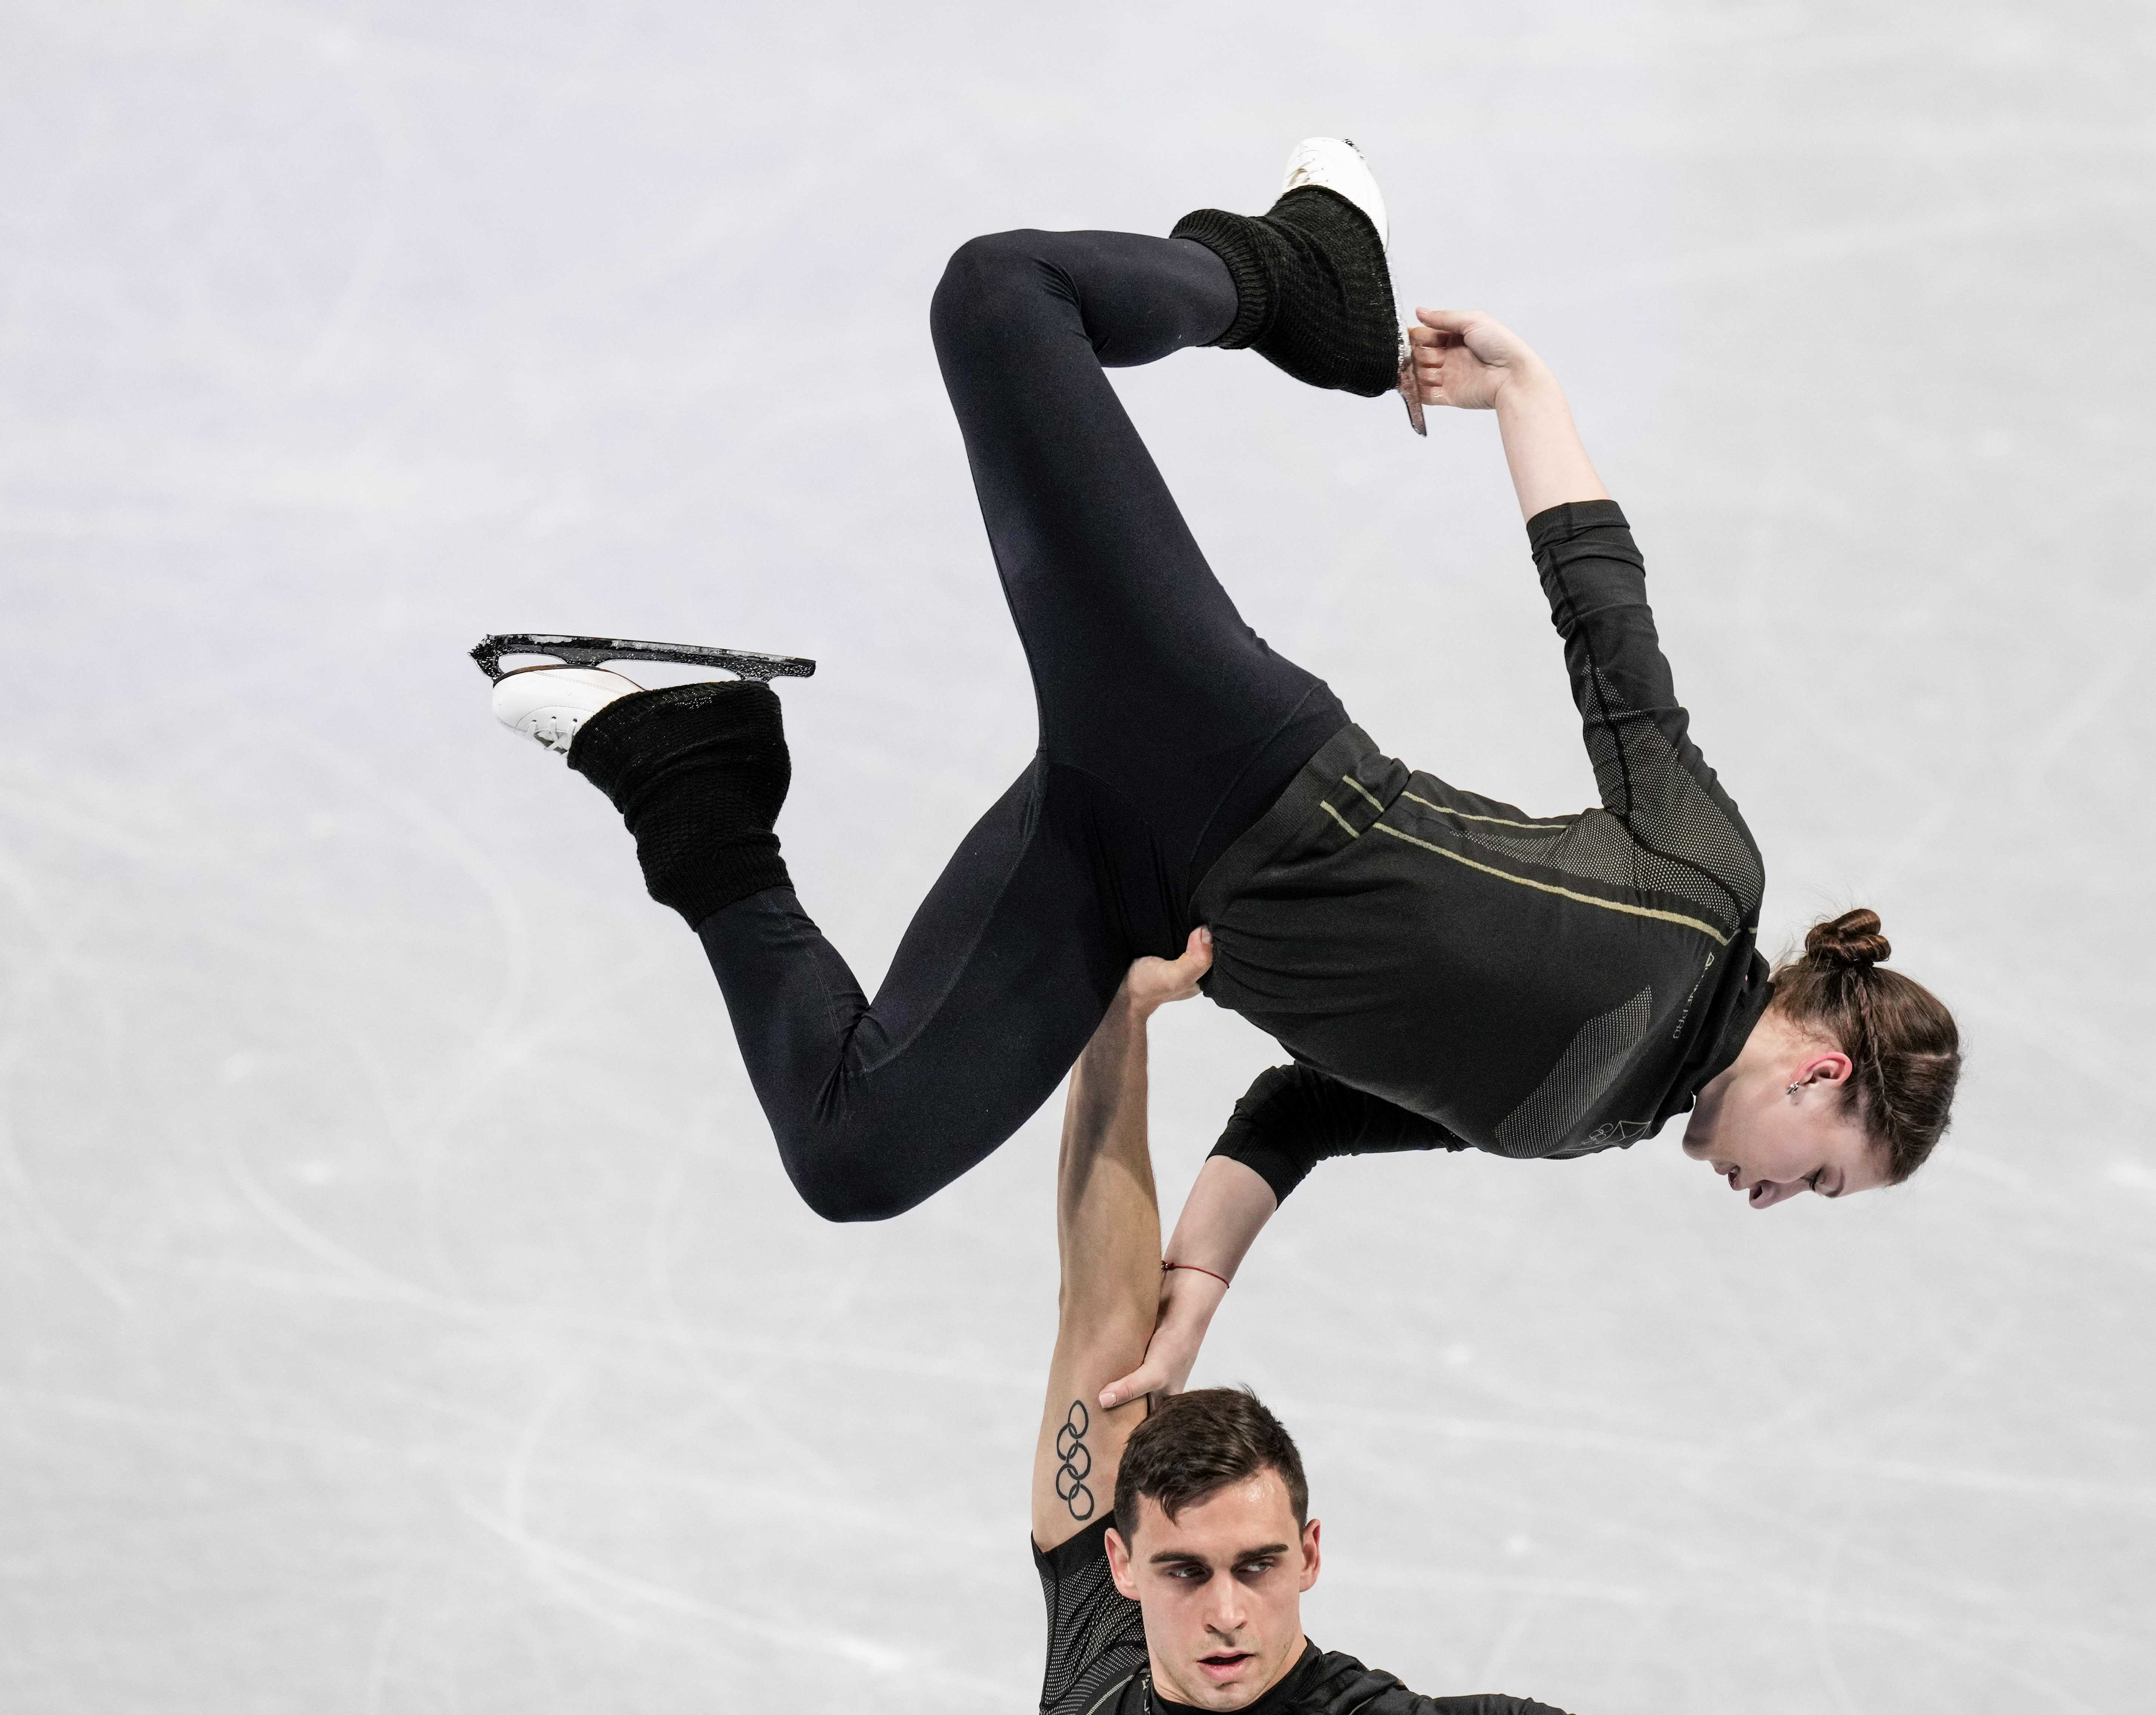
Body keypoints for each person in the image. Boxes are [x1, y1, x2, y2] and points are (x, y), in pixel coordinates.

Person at [475, 138, 1964, 1305]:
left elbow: (1301, 1105)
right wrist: (1527, 391)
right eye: (1818, 1181)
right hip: (1231, 759)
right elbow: (1609, 638)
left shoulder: (1591, 1122)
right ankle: (1288, 273)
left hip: (1142, 890)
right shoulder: (1700, 894)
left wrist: (1192, 1290)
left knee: (853, 1152)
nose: (1775, 1205)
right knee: (1003, 298)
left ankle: (692, 760)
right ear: (1820, 1077)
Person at [1032, 928, 1572, 1715]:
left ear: (1308, 1554)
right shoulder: (1096, 1665)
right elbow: (1099, 1314)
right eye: (1184, 1571)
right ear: (1120, 1565)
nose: (1225, 1616)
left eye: (1257, 1565)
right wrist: (1120, 1016)